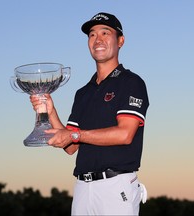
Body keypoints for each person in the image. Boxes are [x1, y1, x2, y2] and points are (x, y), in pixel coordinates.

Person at [31, 12, 149, 215]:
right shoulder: (83, 92)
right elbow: (70, 146)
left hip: (116, 186)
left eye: (105, 32)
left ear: (120, 41)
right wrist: (51, 111)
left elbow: (125, 134)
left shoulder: (131, 82)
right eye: (92, 35)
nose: (98, 39)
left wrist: (74, 135)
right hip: (83, 189)